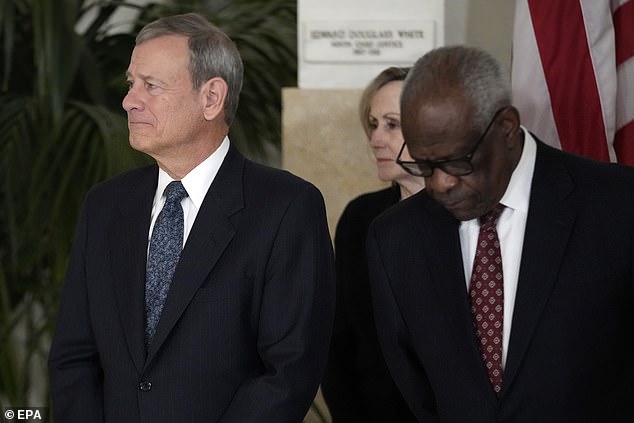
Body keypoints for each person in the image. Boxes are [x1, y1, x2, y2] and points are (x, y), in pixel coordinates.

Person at [48, 13, 335, 423]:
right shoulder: (105, 206)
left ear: (211, 98)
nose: (129, 100)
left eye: (151, 85)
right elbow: (73, 356)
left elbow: (289, 371)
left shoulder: (287, 207)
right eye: (131, 84)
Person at [367, 45, 634, 422]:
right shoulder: (396, 239)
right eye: (425, 166)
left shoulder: (619, 207)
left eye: (458, 162)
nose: (441, 184)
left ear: (506, 127)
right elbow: (413, 388)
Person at [321, 67, 422, 422]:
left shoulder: (471, 218)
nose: (376, 138)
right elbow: (338, 341)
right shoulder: (360, 218)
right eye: (374, 124)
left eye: (392, 125)